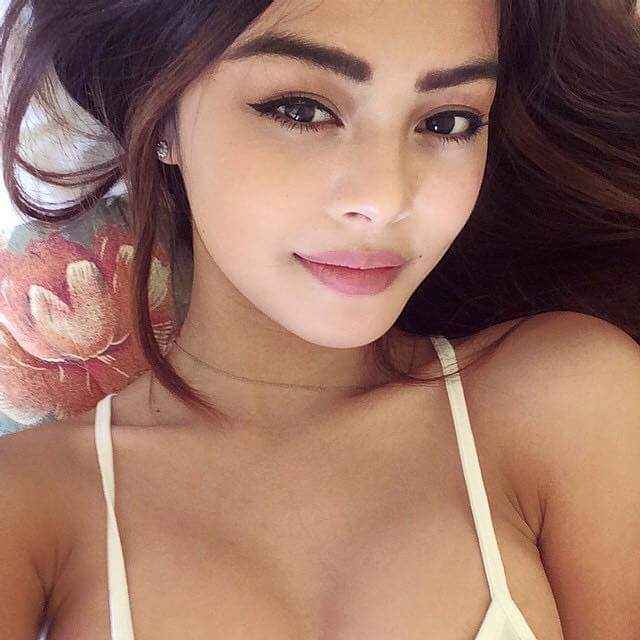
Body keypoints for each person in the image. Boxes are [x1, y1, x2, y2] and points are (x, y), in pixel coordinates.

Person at [1, 1, 640, 638]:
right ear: (158, 108)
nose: (384, 199)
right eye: (303, 110)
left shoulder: (566, 403)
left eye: (448, 121)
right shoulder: (32, 504)